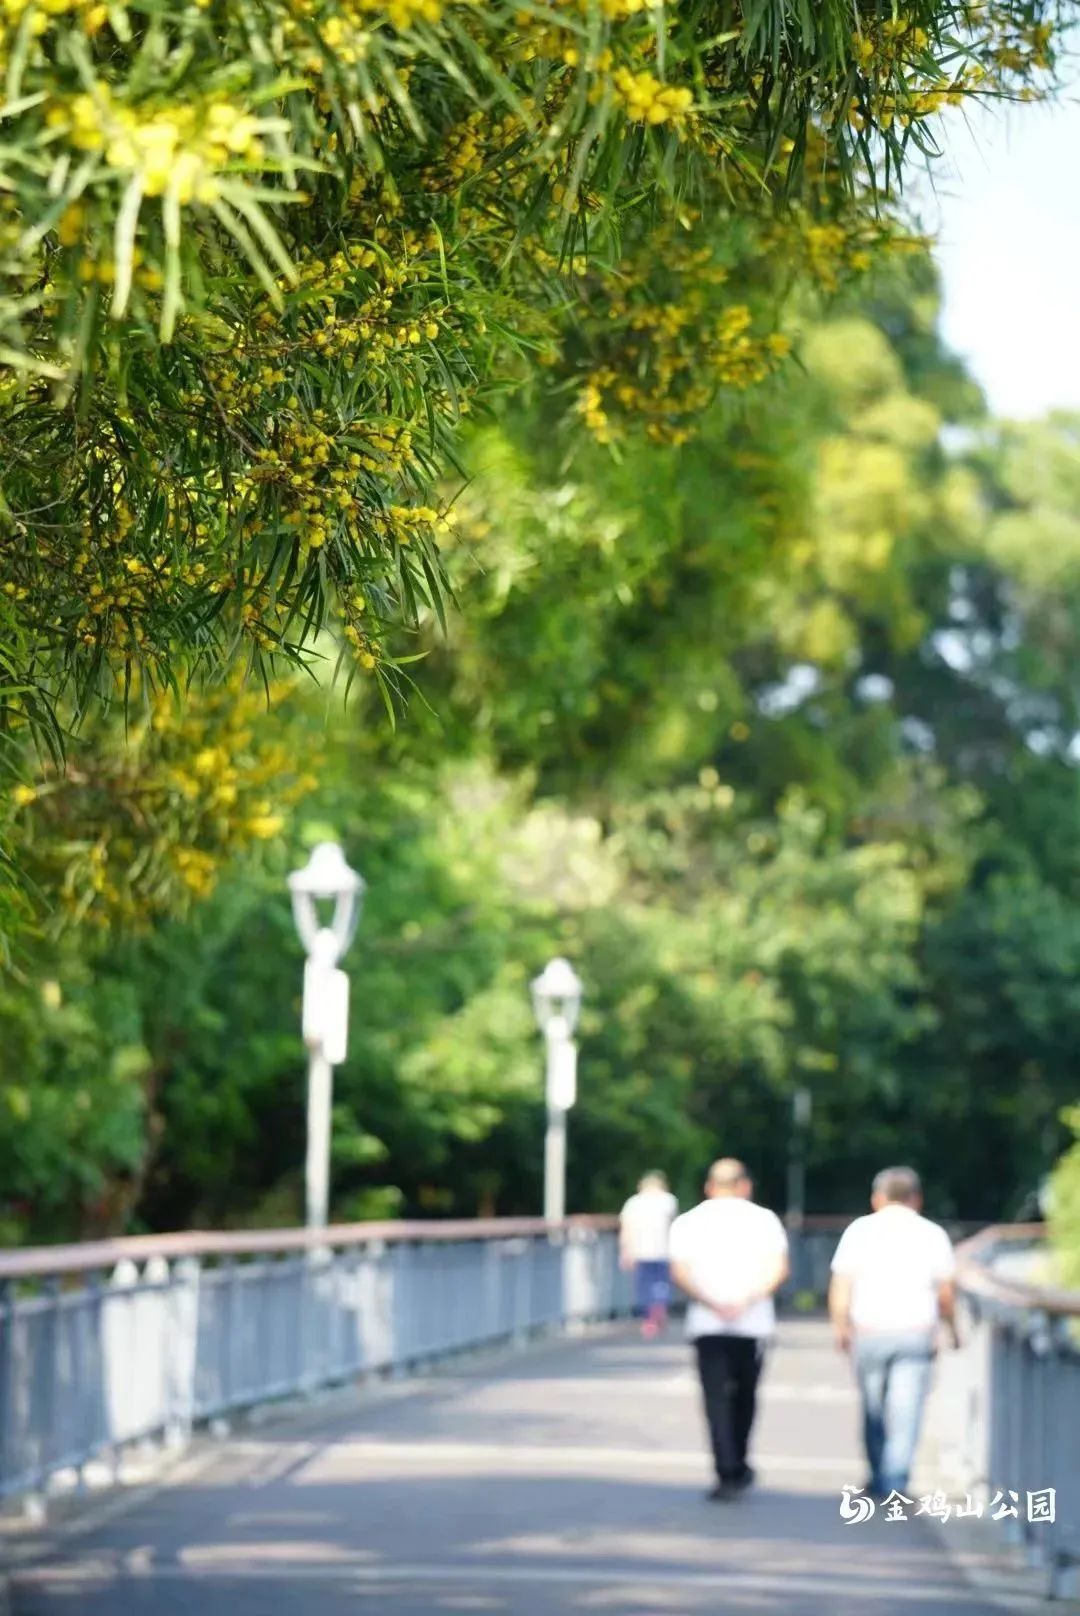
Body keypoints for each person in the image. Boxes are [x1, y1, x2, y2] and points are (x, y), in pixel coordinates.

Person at [828, 1165, 959, 1502]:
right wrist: (952, 1328)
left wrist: (840, 1325)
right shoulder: (932, 1233)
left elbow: (842, 1283)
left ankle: (877, 1472)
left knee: (873, 1407)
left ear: (877, 1198)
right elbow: (945, 1293)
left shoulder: (859, 1230)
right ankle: (896, 1479)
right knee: (907, 1409)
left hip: (869, 1331)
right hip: (915, 1331)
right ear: (916, 1198)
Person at [669, 1158, 789, 1500]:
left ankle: (725, 1468)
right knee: (746, 1396)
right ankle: (740, 1459)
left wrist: (712, 1302)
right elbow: (779, 1270)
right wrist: (748, 1300)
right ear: (744, 1185)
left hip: (707, 1323)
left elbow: (679, 1272)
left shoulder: (689, 1221)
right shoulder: (764, 1220)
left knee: (715, 1399)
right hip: (752, 1324)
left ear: (709, 1187)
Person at [619, 1171, 678, 1337]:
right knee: (661, 1284)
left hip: (640, 1251)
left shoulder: (633, 1203)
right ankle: (658, 1311)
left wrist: (625, 1251)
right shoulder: (668, 1200)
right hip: (663, 1250)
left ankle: (649, 1319)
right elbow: (673, 1224)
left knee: (643, 1286)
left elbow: (626, 1229)